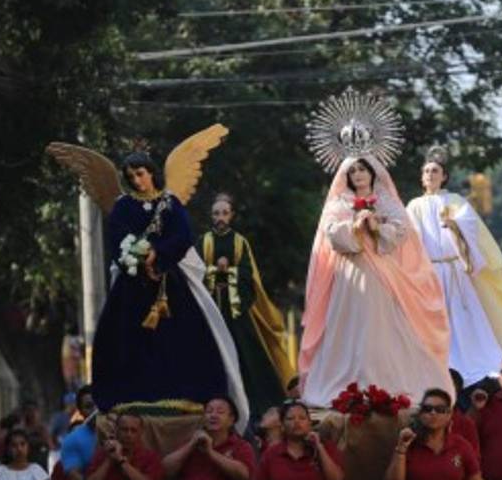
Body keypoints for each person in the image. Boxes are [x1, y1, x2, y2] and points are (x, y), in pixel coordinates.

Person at [91, 151, 250, 428]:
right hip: (133, 286)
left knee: (182, 335)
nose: (137, 181)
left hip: (168, 281)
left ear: (152, 173)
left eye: (141, 174)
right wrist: (135, 257)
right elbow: (116, 237)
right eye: (131, 177)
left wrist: (157, 254)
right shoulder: (123, 206)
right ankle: (130, 395)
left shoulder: (170, 203)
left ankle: (183, 393)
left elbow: (183, 236)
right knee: (126, 337)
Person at [299, 150, 451, 405]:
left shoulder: (386, 200)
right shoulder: (339, 202)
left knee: (381, 323)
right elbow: (331, 233)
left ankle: (385, 383)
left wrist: (377, 227)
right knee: (350, 325)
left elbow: (401, 231)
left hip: (382, 271)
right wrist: (354, 228)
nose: (358, 175)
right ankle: (348, 385)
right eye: (353, 171)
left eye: (362, 169)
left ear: (372, 173)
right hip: (350, 272)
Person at [406, 147, 502, 394]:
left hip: (455, 270)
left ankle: (473, 363)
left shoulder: (455, 201)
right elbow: (409, 238)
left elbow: (471, 225)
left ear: (444, 176)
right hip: (430, 273)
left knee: (464, 319)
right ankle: (440, 364)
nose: (429, 175)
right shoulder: (414, 206)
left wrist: (455, 226)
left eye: (434, 171)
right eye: (426, 171)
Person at [200, 192, 293, 417]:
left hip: (235, 310)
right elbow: (196, 272)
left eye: (224, 213)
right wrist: (214, 271)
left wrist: (229, 271)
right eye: (216, 213)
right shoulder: (204, 241)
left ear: (231, 215)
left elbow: (247, 275)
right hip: (212, 309)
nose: (220, 217)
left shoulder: (240, 242)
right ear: (211, 216)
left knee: (247, 355)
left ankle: (255, 406)